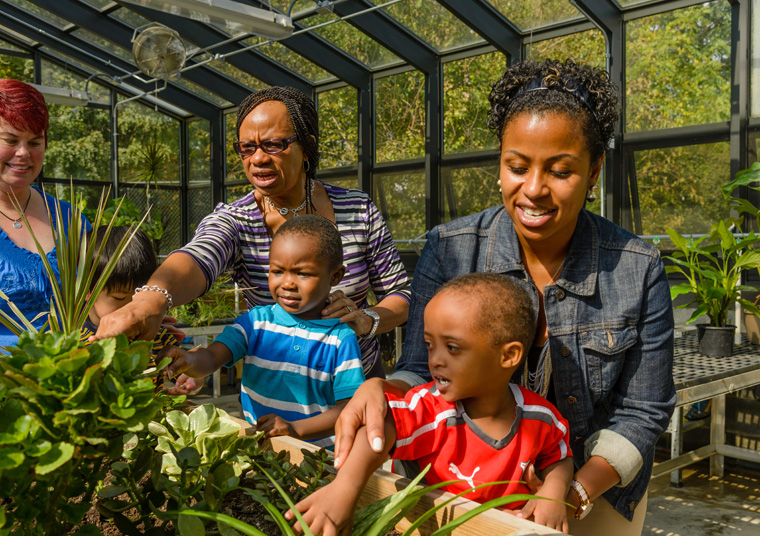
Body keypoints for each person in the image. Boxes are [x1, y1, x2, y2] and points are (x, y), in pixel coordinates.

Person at [333, 59, 676, 536]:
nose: (532, 190)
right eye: (517, 166)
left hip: (593, 490)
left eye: (560, 171)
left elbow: (644, 411)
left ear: (594, 171)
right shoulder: (451, 248)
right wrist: (383, 391)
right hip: (459, 480)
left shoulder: (637, 269)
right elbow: (418, 369)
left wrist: (570, 490)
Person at [94, 86, 410, 381]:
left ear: (308, 146)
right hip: (277, 397)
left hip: (358, 386)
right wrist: (147, 303)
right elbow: (199, 254)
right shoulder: (237, 220)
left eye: (273, 144)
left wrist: (368, 319)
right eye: (247, 148)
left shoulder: (357, 210)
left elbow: (401, 296)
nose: (257, 158)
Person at [287, 273, 574, 535]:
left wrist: (553, 494)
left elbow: (558, 457)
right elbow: (378, 429)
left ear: (509, 356)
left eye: (452, 347)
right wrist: (344, 490)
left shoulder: (541, 417)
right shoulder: (431, 408)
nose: (435, 360)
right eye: (429, 345)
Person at [162, 215, 365, 448]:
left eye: (303, 274)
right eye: (277, 271)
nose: (287, 283)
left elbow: (349, 408)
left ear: (335, 276)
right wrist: (187, 359)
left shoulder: (341, 340)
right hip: (258, 451)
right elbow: (211, 357)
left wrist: (295, 429)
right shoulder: (255, 323)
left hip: (317, 461)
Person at [0, 79, 88, 348]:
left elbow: (97, 297)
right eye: (11, 140)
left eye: (35, 142)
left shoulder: (70, 220)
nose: (24, 153)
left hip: (70, 377)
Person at [79, 226, 178, 391]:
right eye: (119, 297)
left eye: (142, 298)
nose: (132, 308)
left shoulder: (156, 333)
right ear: (87, 290)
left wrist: (190, 377)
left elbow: (182, 368)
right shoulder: (77, 343)